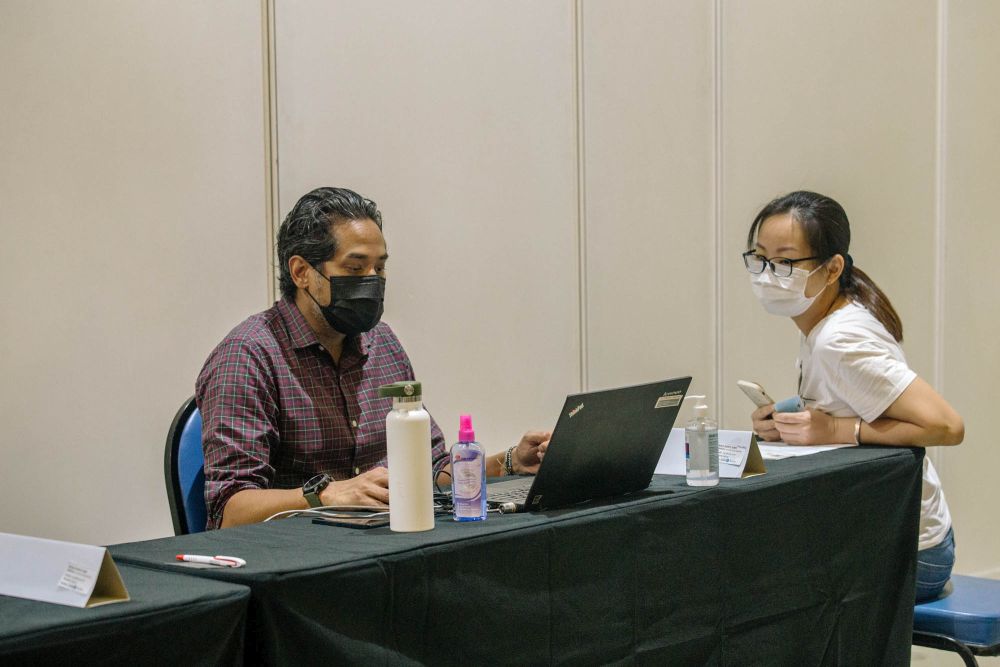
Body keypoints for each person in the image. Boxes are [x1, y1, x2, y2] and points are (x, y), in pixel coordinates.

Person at [196, 186, 550, 529]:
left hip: (387, 543)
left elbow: (429, 469)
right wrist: (326, 495)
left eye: (379, 268)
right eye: (355, 268)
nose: (372, 281)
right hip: (300, 559)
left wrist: (508, 463)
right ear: (302, 272)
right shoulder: (247, 357)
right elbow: (230, 510)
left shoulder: (381, 342)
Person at [743, 190, 964, 602]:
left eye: (786, 262)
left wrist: (837, 429)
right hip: (886, 533)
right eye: (760, 258)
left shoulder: (839, 339)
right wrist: (789, 423)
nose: (768, 274)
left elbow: (947, 427)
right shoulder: (821, 324)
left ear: (832, 269)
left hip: (914, 554)